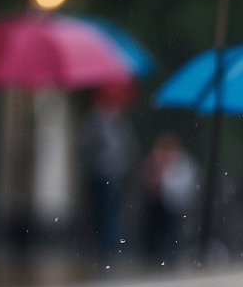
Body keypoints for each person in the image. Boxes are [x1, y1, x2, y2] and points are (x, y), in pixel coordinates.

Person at [80, 84, 136, 260]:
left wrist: (119, 166)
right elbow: (85, 146)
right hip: (98, 174)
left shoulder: (120, 123)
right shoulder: (94, 121)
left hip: (113, 175)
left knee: (110, 213)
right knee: (98, 212)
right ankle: (99, 246)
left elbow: (128, 149)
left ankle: (108, 247)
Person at [139, 132, 197, 266]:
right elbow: (146, 181)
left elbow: (184, 186)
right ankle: (154, 258)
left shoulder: (182, 164)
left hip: (174, 205)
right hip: (156, 205)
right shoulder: (154, 161)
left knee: (173, 233)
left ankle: (171, 258)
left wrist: (163, 186)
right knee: (155, 233)